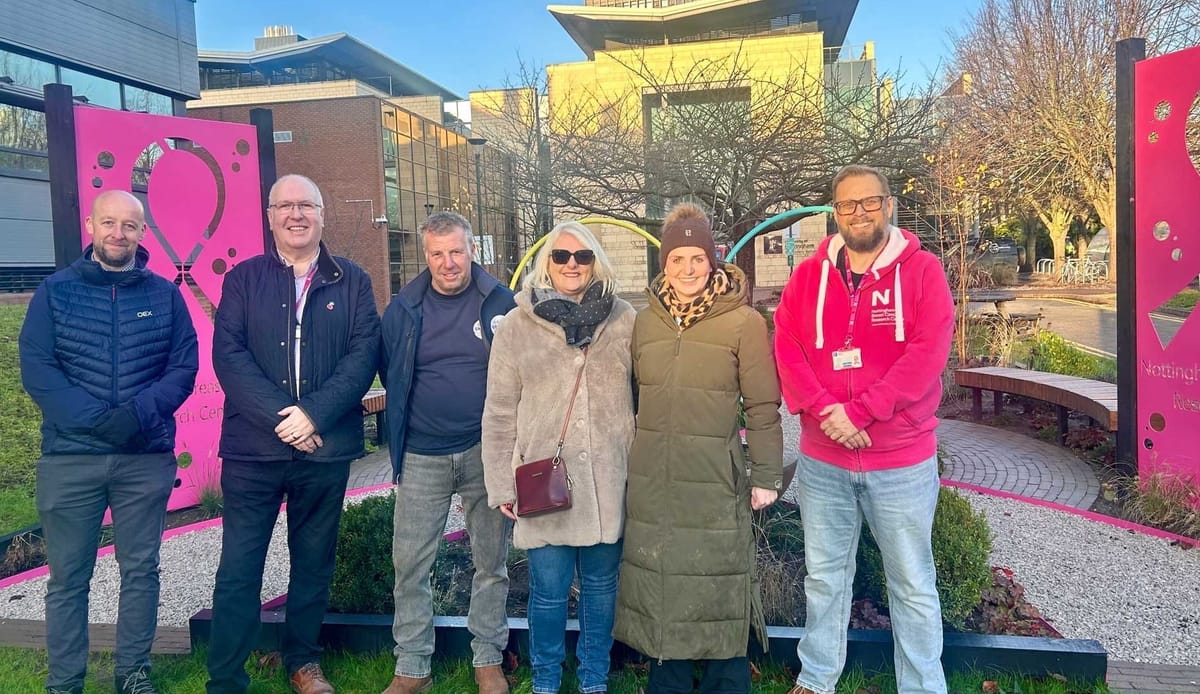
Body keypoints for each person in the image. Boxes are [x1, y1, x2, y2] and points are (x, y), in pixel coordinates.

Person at [773, 164, 955, 694]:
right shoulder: (809, 276)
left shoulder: (922, 273)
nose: (859, 212)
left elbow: (927, 354)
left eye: (869, 201)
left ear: (889, 205)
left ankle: (922, 685)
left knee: (914, 584)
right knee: (825, 578)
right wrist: (824, 408)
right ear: (835, 211)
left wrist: (861, 411)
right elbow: (788, 344)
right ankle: (817, 677)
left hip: (900, 461)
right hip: (824, 460)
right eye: (848, 204)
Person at [205, 174, 381, 694]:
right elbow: (229, 357)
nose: (296, 214)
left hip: (323, 448)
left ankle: (303, 662)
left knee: (313, 563)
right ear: (270, 215)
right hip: (253, 450)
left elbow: (362, 355)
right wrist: (288, 418)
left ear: (322, 214)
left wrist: (314, 417)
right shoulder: (243, 279)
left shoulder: (353, 281)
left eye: (306, 205)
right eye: (285, 206)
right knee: (239, 566)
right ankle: (226, 676)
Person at [19, 189, 199, 694]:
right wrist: (100, 421)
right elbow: (39, 370)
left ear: (143, 234)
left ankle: (133, 672)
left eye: (130, 225)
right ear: (92, 228)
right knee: (67, 579)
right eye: (110, 223)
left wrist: (136, 417)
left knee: (141, 570)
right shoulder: (55, 293)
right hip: (70, 458)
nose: (119, 233)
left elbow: (183, 367)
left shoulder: (165, 294)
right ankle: (64, 681)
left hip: (144, 458)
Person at [613, 202, 783, 694]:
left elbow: (763, 405)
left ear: (713, 262)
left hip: (715, 478)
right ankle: (667, 680)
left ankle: (725, 682)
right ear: (663, 265)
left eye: (697, 259)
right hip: (656, 483)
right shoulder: (644, 323)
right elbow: (632, 397)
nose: (687, 270)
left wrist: (766, 476)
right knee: (665, 582)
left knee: (718, 579)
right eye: (676, 260)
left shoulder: (743, 323)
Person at [481, 221, 635, 694]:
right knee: (547, 593)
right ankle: (545, 681)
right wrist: (502, 484)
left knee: (601, 589)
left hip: (609, 478)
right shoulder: (517, 326)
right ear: (547, 262)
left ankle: (594, 680)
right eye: (562, 256)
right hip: (545, 483)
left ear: (597, 263)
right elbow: (499, 410)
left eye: (583, 256)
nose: (572, 264)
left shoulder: (625, 319)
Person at [380, 211, 516, 694]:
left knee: (490, 562)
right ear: (426, 255)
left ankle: (487, 659)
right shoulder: (404, 308)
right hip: (421, 454)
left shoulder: (501, 302)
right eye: (437, 254)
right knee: (410, 565)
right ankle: (412, 666)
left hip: (485, 452)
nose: (447, 262)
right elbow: (389, 370)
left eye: (456, 251)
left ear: (471, 249)